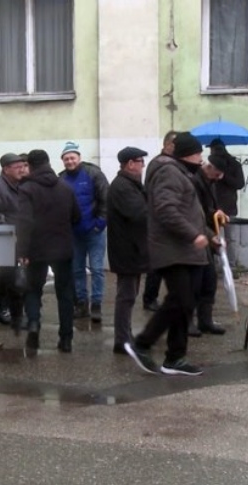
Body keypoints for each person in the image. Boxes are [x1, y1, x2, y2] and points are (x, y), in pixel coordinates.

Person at [124, 132, 211, 376]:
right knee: (180, 300)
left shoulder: (182, 173)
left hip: (186, 250)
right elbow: (166, 210)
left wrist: (210, 236)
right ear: (186, 154)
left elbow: (189, 213)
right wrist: (193, 235)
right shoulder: (169, 172)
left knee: (186, 303)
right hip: (172, 249)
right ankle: (142, 344)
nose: (201, 159)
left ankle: (175, 357)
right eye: (198, 154)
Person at [17, 149, 80, 352]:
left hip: (36, 248)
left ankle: (34, 324)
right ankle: (66, 339)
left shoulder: (27, 189)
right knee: (65, 293)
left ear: (32, 165)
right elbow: (76, 217)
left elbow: (24, 222)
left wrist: (22, 251)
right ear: (48, 162)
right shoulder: (65, 187)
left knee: (33, 289)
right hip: (63, 248)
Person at [58, 141, 109, 323]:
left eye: (72, 158)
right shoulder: (61, 178)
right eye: (66, 159)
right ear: (62, 161)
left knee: (96, 269)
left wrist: (100, 223)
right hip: (73, 233)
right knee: (77, 270)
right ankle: (81, 304)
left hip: (95, 231)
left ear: (79, 158)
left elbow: (106, 198)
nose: (70, 161)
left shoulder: (93, 173)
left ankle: (96, 305)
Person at [107, 147, 150, 354]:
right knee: (126, 296)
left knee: (130, 295)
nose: (143, 165)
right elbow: (138, 213)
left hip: (134, 248)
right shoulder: (122, 187)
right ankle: (122, 339)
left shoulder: (132, 185)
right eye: (140, 161)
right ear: (130, 164)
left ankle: (125, 335)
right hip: (127, 249)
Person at [0, 152, 27, 331]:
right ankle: (17, 317)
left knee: (4, 277)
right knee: (14, 281)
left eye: (22, 166)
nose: (21, 170)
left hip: (16, 238)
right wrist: (9, 227)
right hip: (5, 239)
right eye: (17, 167)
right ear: (6, 169)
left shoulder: (17, 185)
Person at [189, 156, 227, 337]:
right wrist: (210, 235)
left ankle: (205, 320)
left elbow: (208, 208)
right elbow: (195, 214)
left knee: (209, 280)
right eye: (217, 173)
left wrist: (217, 213)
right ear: (209, 168)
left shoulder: (208, 181)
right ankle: (187, 322)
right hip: (196, 237)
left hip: (207, 236)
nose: (219, 178)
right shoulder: (195, 182)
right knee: (193, 283)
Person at [142, 131, 178, 312]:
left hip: (161, 217)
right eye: (175, 144)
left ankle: (154, 298)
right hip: (159, 218)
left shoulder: (164, 163)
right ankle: (150, 298)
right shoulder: (161, 163)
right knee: (157, 263)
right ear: (167, 145)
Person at [209, 138, 245, 271]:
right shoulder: (211, 165)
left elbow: (239, 184)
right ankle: (223, 265)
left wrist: (224, 177)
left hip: (224, 206)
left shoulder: (234, 164)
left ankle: (229, 265)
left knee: (226, 238)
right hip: (216, 206)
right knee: (223, 238)